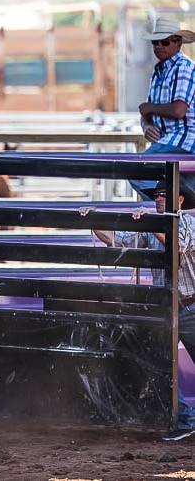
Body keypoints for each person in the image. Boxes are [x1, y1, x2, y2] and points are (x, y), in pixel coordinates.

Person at [83, 179, 195, 440]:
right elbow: (118, 241)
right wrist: (94, 220)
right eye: (156, 194)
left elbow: (175, 246)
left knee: (162, 363)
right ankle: (186, 419)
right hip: (168, 307)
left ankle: (186, 419)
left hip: (190, 305)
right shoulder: (151, 228)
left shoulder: (190, 224)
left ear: (180, 201)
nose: (158, 198)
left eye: (165, 194)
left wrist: (151, 224)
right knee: (160, 364)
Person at [130, 17, 195, 199]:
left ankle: (162, 219)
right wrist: (147, 125)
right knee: (182, 192)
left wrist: (147, 108)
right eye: (155, 42)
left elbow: (178, 110)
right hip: (170, 142)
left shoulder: (184, 67)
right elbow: (149, 111)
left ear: (178, 43)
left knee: (137, 171)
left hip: (185, 141)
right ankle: (173, 220)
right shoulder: (159, 71)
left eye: (165, 42)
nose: (159, 46)